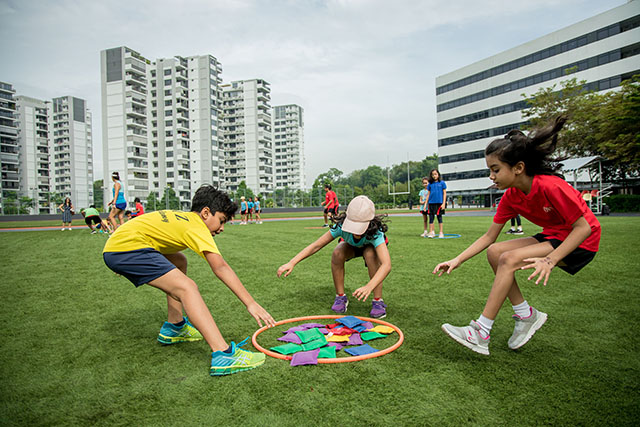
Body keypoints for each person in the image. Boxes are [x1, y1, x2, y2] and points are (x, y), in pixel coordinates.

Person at [433, 116, 601, 356]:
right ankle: (526, 316)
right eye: (489, 170)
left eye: (495, 169)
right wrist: (457, 260)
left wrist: (550, 260)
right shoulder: (511, 196)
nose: (491, 176)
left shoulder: (550, 186)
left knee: (509, 259)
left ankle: (481, 331)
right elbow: (489, 238)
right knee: (496, 252)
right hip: (555, 236)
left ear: (518, 168)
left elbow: (583, 228)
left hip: (583, 241)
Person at [103, 185, 276, 376]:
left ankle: (174, 326)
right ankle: (224, 354)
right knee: (187, 288)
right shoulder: (196, 226)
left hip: (120, 246)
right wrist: (251, 303)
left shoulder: (185, 218)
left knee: (179, 261)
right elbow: (220, 267)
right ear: (205, 213)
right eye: (221, 221)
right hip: (126, 248)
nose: (222, 228)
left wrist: (118, 253)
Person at [278, 195, 391, 318]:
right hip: (351, 246)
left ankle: (378, 301)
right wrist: (292, 262)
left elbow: (386, 265)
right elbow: (316, 245)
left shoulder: (375, 232)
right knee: (337, 252)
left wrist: (369, 286)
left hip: (370, 248)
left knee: (370, 254)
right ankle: (340, 297)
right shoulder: (341, 226)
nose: (355, 231)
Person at [426, 169, 447, 238]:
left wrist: (443, 203)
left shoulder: (442, 183)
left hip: (439, 203)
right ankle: (432, 232)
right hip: (431, 203)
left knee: (439, 218)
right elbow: (428, 194)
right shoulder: (430, 184)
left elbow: (444, 194)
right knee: (431, 218)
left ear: (438, 174)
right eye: (433, 174)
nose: (434, 176)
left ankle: (441, 232)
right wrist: (426, 204)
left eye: (435, 174)